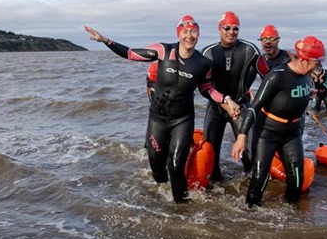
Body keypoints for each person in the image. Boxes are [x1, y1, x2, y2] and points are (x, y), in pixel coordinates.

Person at [85, 16, 234, 203]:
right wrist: (105, 40)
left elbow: (206, 89)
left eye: (193, 31)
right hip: (158, 119)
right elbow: (131, 53)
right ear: (178, 34)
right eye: (185, 32)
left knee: (176, 164)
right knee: (156, 165)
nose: (189, 36)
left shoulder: (203, 63)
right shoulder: (163, 50)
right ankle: (161, 195)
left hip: (183, 119)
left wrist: (227, 101)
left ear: (198, 34)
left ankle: (180, 206)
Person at [232, 35, 326, 207]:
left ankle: (292, 218)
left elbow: (295, 93)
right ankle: (249, 215)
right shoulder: (277, 76)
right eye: (317, 63)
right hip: (267, 133)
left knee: (297, 178)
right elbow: (254, 106)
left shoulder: (307, 75)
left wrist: (308, 94)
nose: (318, 67)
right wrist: (242, 136)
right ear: (305, 60)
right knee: (260, 177)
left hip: (291, 134)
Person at [200, 11, 260, 180]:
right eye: (227, 28)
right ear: (219, 29)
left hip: (241, 107)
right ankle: (215, 190)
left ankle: (251, 186)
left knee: (249, 154)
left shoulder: (250, 50)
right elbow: (203, 86)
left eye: (235, 29)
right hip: (216, 107)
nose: (231, 32)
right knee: (210, 153)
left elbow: (268, 73)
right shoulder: (208, 53)